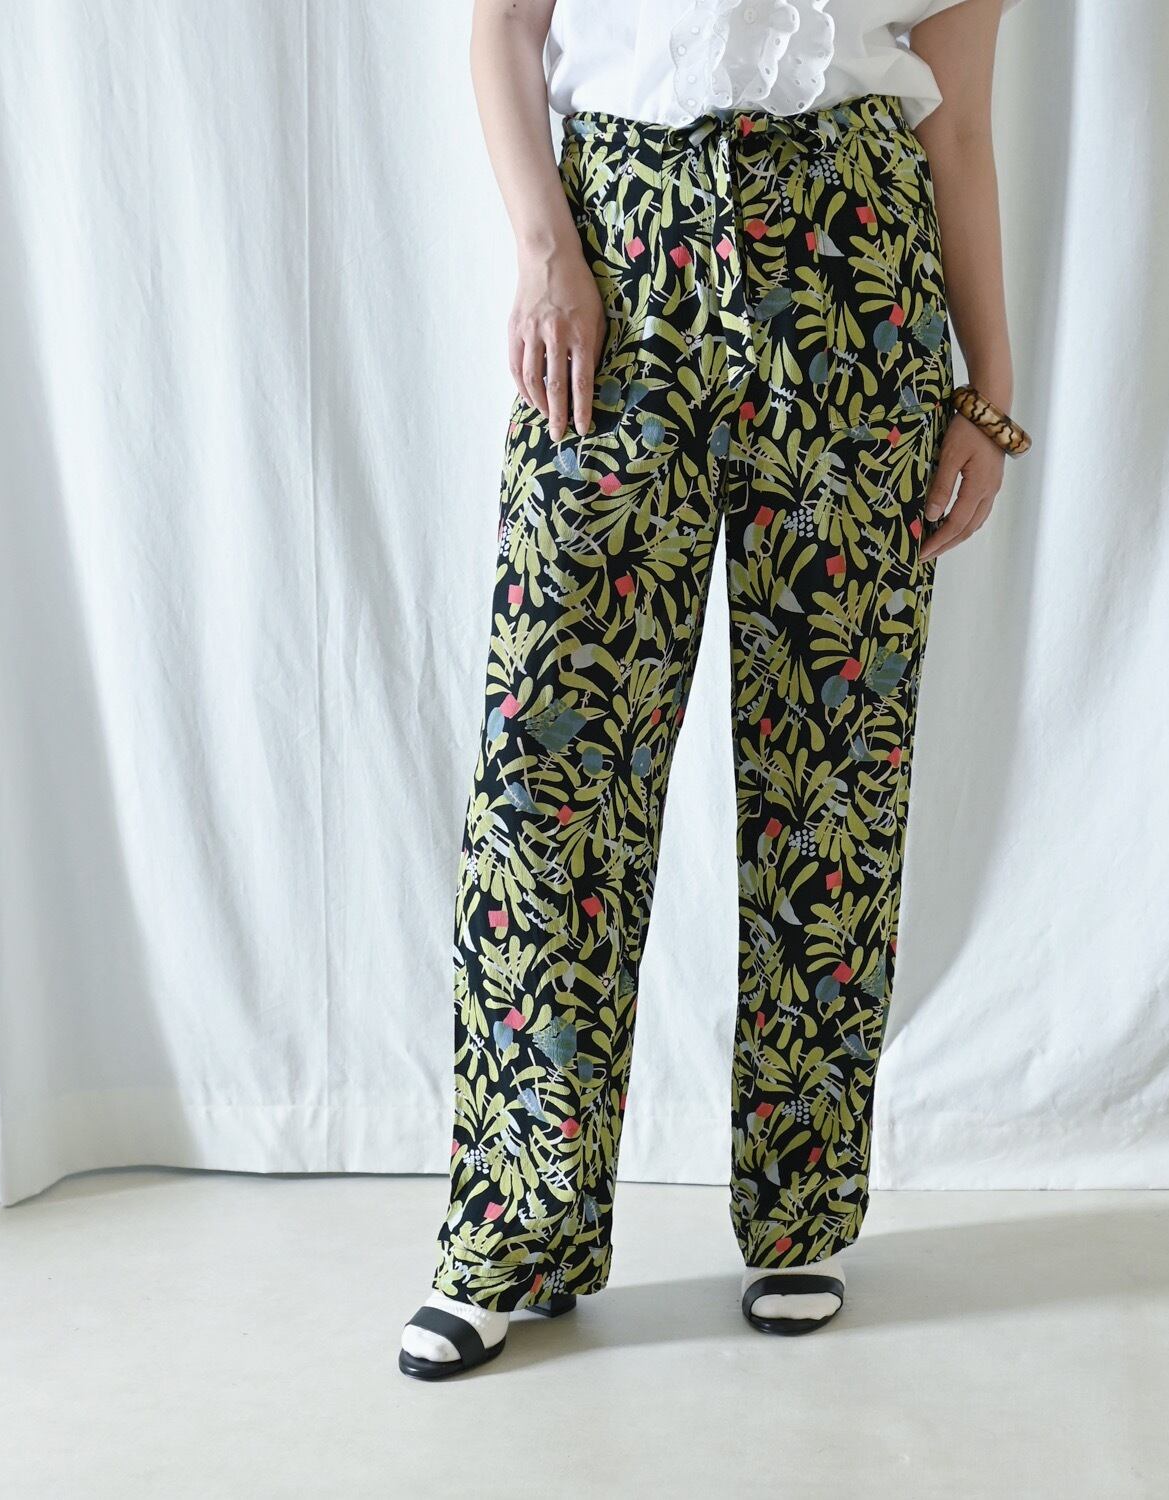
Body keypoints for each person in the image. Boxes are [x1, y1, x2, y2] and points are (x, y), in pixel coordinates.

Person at [400, 0, 1030, 1379]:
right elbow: (505, 30)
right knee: (551, 770)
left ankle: (801, 1211)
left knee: (834, 773)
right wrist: (544, 251)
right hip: (617, 260)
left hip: (855, 274)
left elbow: (958, 126)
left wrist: (987, 392)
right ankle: (515, 1231)